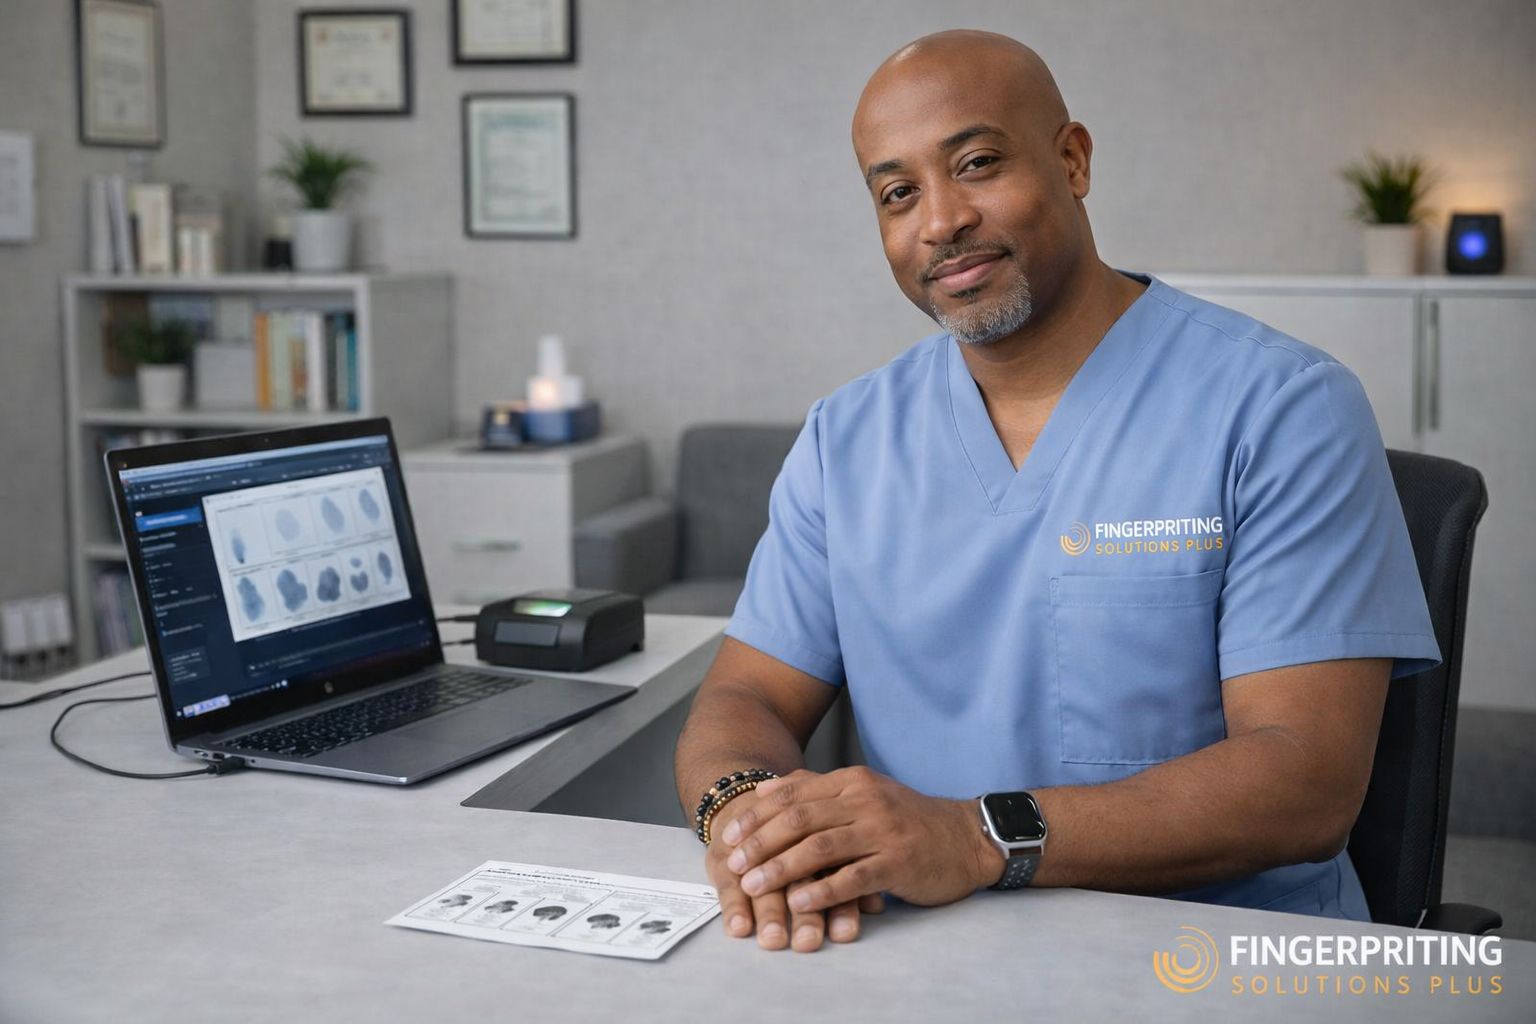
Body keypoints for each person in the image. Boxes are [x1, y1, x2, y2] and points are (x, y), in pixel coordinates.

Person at [672, 29, 1440, 954]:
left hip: (1218, 962)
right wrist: (751, 824)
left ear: (1072, 160)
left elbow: (1305, 782)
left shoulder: (1281, 409)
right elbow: (747, 694)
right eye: (897, 193)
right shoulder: (848, 438)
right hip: (929, 954)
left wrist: (972, 836)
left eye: (979, 163)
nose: (941, 221)